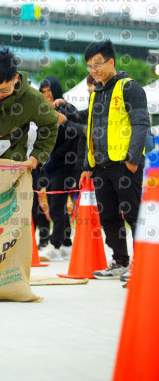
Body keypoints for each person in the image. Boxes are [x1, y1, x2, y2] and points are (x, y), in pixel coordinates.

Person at [79, 40, 150, 280]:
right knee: (108, 216)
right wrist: (88, 166)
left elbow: (141, 124)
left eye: (97, 65)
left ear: (111, 61)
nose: (93, 71)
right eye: (89, 67)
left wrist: (132, 161)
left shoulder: (129, 87)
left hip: (124, 166)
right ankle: (120, 262)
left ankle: (143, 266)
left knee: (133, 215)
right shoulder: (95, 94)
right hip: (101, 167)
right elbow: (91, 131)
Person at [38, 76, 81, 262]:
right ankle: (66, 243)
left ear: (56, 90)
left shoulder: (66, 108)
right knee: (58, 205)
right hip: (52, 166)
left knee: (56, 205)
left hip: (67, 165)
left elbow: (75, 135)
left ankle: (54, 245)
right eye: (43, 92)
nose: (47, 95)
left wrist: (54, 154)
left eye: (49, 91)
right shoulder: (43, 111)